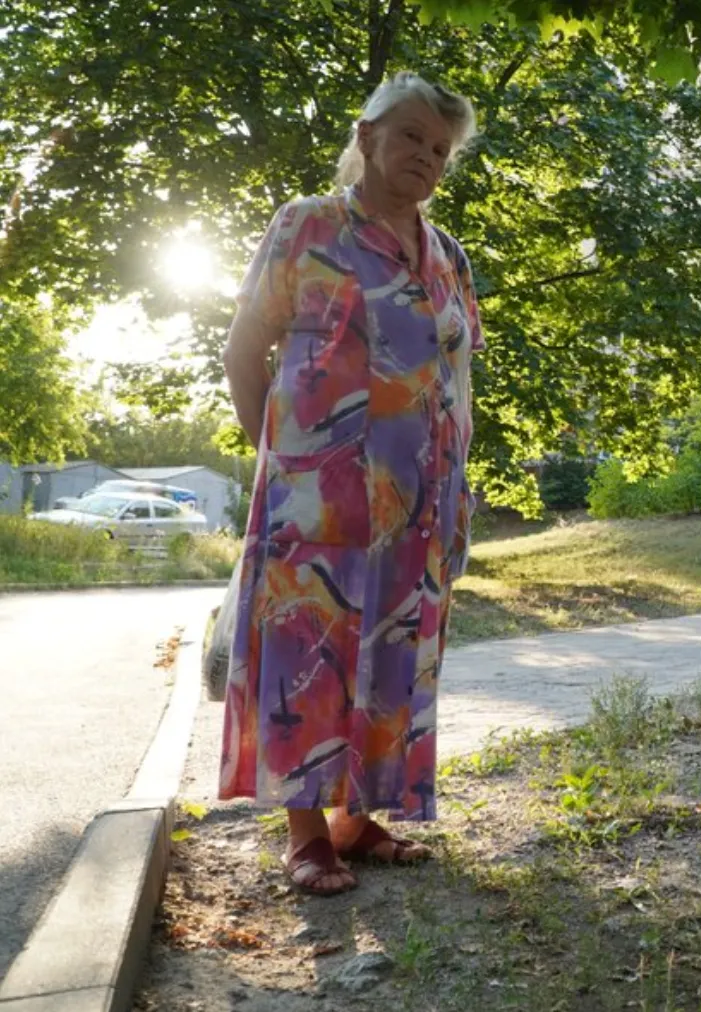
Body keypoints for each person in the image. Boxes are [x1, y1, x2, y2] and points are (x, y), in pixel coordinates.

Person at [219, 71, 484, 895]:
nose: (426, 156)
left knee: (391, 656)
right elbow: (242, 350)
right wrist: (285, 465)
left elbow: (455, 375)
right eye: (409, 136)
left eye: (440, 148)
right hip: (318, 498)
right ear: (366, 137)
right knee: (311, 654)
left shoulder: (446, 255)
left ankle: (357, 820)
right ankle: (306, 837)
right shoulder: (308, 226)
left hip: (418, 505)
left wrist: (458, 490)